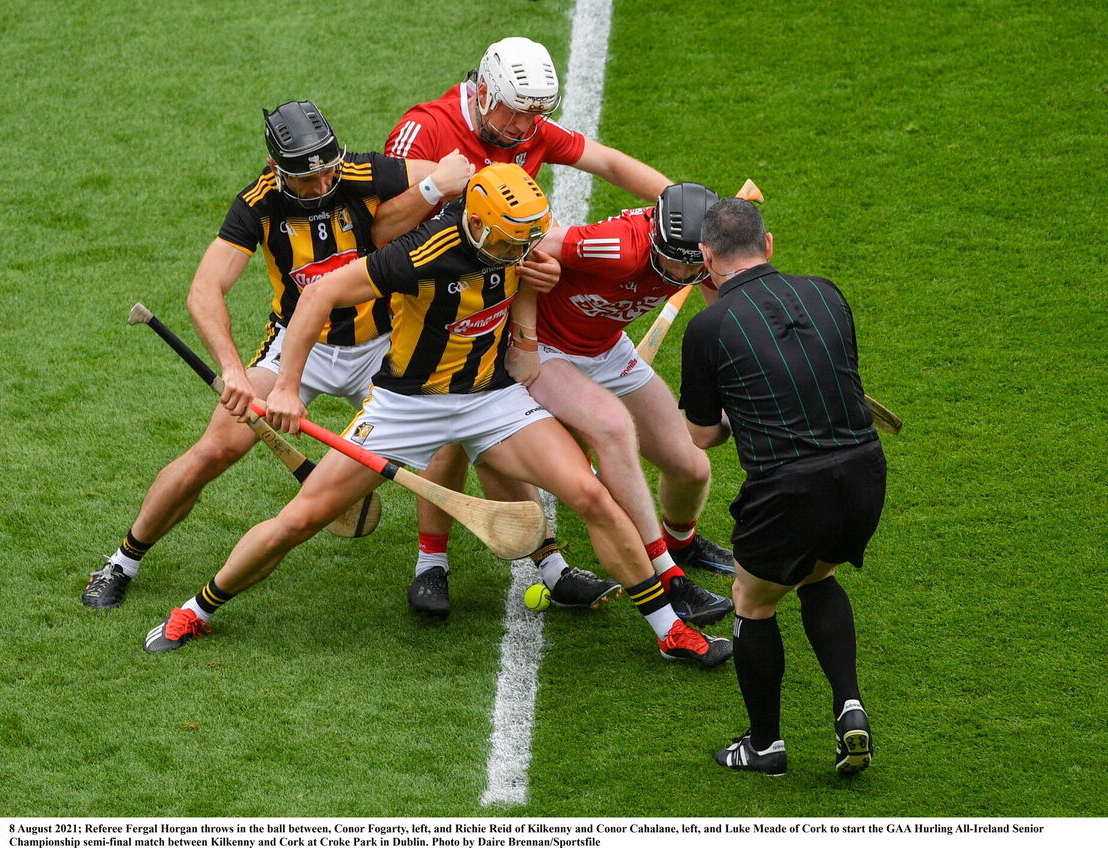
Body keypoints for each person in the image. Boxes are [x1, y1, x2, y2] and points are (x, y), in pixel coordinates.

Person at [142, 163, 732, 674]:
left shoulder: (517, 243)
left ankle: (668, 631)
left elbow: (526, 275)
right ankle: (196, 610)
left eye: (525, 245)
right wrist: (289, 388)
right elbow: (319, 295)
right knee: (301, 520)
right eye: (507, 246)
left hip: (490, 398)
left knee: (592, 496)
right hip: (408, 408)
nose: (518, 257)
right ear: (474, 225)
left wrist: (525, 337)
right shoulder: (420, 254)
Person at [82, 100, 472, 609]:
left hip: (385, 341)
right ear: (275, 169)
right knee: (214, 451)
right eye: (305, 180)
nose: (320, 186)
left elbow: (457, 173)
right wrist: (231, 371)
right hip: (298, 345)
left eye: (328, 172)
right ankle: (123, 559)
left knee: (445, 437)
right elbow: (203, 291)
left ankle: (431, 566)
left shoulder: (362, 171)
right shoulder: (258, 203)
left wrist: (429, 190)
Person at [383, 36, 684, 618]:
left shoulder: (526, 128)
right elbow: (385, 227)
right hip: (421, 300)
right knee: (452, 423)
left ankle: (547, 564)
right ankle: (431, 561)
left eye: (537, 114)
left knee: (487, 421)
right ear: (487, 92)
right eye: (516, 110)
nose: (527, 127)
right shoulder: (427, 130)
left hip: (494, 297)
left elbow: (611, 163)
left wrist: (688, 209)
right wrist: (442, 197)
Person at [678, 197, 887, 776]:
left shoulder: (708, 328)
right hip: (864, 472)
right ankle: (849, 705)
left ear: (705, 258)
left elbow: (703, 437)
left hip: (789, 490)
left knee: (753, 602)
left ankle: (765, 746)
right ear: (768, 245)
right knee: (818, 573)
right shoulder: (826, 293)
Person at [504, 182, 737, 630]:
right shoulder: (616, 247)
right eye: (679, 264)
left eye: (698, 265)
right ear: (656, 240)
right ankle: (666, 574)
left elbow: (727, 323)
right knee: (612, 428)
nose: (688, 275)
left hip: (609, 349)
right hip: (549, 350)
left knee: (692, 469)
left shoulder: (703, 253)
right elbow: (526, 246)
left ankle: (680, 541)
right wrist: (527, 340)